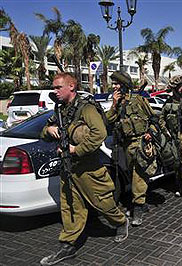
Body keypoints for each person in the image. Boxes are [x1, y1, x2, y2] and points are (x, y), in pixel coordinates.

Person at [40, 73, 129, 266]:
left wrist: (76, 149)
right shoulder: (61, 110)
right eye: (53, 87)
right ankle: (68, 246)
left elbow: (100, 133)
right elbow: (44, 132)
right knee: (70, 207)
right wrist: (48, 130)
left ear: (71, 86)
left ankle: (121, 222)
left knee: (103, 203)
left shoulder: (86, 108)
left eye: (58, 87)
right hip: (68, 168)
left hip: (88, 168)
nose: (54, 91)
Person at [106, 71, 156, 226]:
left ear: (124, 85)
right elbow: (108, 121)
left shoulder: (138, 100)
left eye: (116, 83)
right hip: (127, 145)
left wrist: (150, 133)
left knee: (139, 175)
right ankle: (141, 202)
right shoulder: (117, 103)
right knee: (133, 175)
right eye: (113, 83)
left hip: (141, 142)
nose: (113, 86)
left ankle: (138, 208)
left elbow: (153, 118)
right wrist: (114, 105)